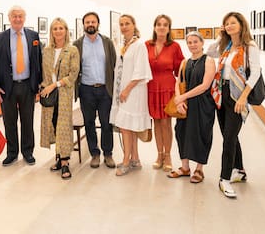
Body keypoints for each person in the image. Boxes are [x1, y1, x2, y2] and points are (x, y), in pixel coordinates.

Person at [207, 12, 260, 198]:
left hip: (238, 96)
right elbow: (210, 51)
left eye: (232, 23)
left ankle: (224, 179)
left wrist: (244, 97)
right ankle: (240, 170)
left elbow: (255, 73)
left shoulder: (249, 46)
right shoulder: (227, 45)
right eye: (226, 24)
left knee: (229, 138)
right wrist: (221, 35)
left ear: (241, 25)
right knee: (230, 135)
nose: (229, 26)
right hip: (222, 94)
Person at [0, 6, 42, 166]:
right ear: (9, 18)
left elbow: (37, 61)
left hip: (28, 85)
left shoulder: (33, 36)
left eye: (20, 16)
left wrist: (38, 84)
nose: (18, 19)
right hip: (7, 87)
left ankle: (28, 152)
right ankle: (12, 153)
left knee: (28, 120)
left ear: (24, 18)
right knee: (9, 121)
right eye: (14, 16)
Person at [167, 31, 216, 183]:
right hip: (185, 105)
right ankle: (185, 167)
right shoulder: (184, 62)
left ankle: (199, 169)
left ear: (202, 43)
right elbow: (178, 82)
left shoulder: (208, 61)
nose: (192, 45)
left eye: (196, 41)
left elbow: (205, 85)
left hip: (203, 104)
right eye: (189, 42)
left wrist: (183, 97)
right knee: (182, 133)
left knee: (202, 134)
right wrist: (179, 100)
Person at [109, 14, 152, 176]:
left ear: (134, 25)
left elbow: (140, 72)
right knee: (130, 127)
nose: (124, 27)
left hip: (133, 92)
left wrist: (126, 90)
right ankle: (135, 158)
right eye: (121, 24)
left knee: (126, 127)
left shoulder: (139, 45)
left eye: (127, 23)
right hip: (124, 91)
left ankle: (126, 162)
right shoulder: (126, 45)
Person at [74, 12, 117, 169]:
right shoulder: (77, 44)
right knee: (89, 123)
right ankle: (95, 154)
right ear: (83, 25)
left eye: (93, 21)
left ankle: (108, 153)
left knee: (106, 123)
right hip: (86, 90)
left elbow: (114, 65)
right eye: (87, 22)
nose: (90, 24)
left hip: (105, 89)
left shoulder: (107, 42)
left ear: (98, 24)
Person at [40, 18, 80, 179]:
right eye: (55, 28)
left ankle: (65, 162)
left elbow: (73, 74)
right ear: (51, 32)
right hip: (48, 94)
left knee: (63, 126)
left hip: (63, 93)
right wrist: (43, 87)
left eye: (61, 28)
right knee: (53, 124)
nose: (58, 31)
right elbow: (43, 72)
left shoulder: (72, 50)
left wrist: (54, 85)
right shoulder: (47, 50)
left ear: (66, 30)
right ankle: (58, 157)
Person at [145, 14, 184, 172]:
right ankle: (159, 154)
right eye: (159, 24)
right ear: (154, 27)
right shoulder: (147, 45)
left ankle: (168, 155)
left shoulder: (174, 47)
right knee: (156, 122)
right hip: (151, 87)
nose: (161, 27)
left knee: (166, 124)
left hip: (167, 87)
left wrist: (181, 92)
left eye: (165, 24)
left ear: (169, 28)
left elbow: (180, 70)